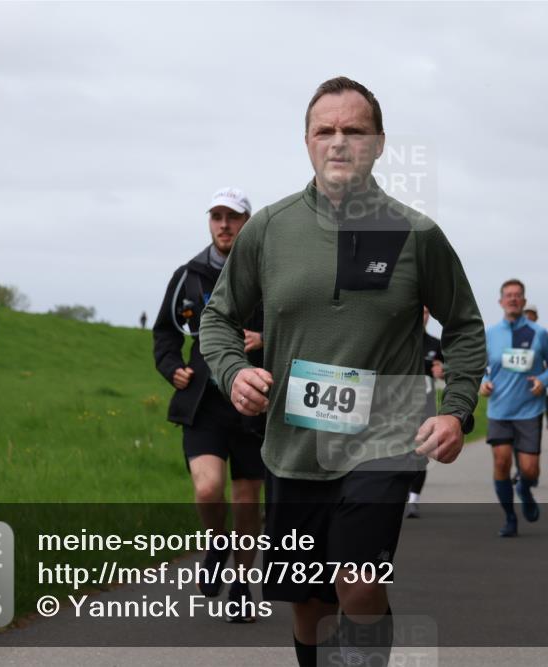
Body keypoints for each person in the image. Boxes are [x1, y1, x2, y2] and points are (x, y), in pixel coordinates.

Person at [200, 77, 486, 667]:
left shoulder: (417, 234)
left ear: (379, 143)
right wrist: (233, 373)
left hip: (385, 438)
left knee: (356, 582)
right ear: (305, 142)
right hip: (295, 445)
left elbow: (464, 326)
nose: (339, 142)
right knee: (309, 605)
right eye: (324, 131)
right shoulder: (269, 230)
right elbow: (218, 319)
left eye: (354, 130)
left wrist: (457, 411)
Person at [152, 187, 265, 623]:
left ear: (247, 223)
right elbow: (164, 332)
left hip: (255, 404)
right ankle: (217, 541)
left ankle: (241, 584)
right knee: (206, 489)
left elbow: (299, 325)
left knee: (247, 503)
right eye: (216, 216)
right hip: (203, 402)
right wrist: (171, 367)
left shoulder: (267, 272)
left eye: (232, 217)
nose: (224, 224)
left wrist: (266, 339)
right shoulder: (188, 275)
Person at [480, 279, 548, 537]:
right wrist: (483, 383)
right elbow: (478, 365)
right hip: (499, 410)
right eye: (508, 295)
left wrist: (543, 380)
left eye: (518, 295)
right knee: (501, 463)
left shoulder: (539, 333)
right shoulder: (491, 334)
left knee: (529, 470)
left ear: (524, 302)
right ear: (501, 301)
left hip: (529, 410)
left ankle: (524, 489)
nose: (513, 299)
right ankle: (509, 518)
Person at [406, 307, 445, 519]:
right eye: (420, 311)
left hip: (426, 408)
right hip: (397, 407)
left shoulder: (435, 345)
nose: (423, 316)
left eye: (427, 312)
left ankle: (413, 500)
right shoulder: (397, 339)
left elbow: (446, 372)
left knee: (419, 455)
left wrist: (443, 372)